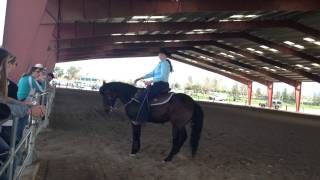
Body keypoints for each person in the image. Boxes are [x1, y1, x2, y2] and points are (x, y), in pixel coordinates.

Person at [133, 48, 173, 124]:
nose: (159, 55)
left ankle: (142, 118)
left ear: (165, 55)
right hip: (157, 84)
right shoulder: (160, 64)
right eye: (159, 54)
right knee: (144, 95)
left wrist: (150, 81)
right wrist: (141, 77)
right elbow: (152, 73)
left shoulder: (165, 64)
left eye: (161, 54)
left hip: (161, 84)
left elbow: (162, 76)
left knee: (143, 97)